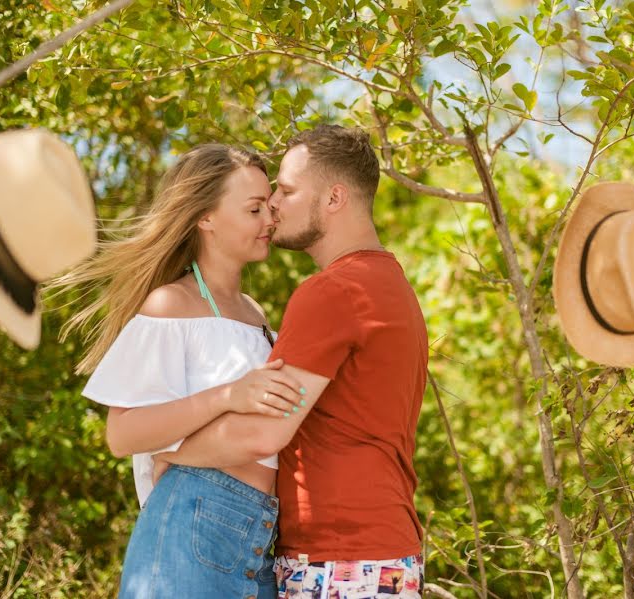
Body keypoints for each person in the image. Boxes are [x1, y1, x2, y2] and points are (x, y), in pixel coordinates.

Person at [152, 125, 429, 598]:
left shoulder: (334, 291)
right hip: (378, 556)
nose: (275, 202)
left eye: (288, 188)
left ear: (335, 198)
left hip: (342, 560)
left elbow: (264, 433)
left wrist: (164, 450)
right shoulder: (390, 285)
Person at [49, 144, 307, 598]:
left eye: (268, 206)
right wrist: (228, 396)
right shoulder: (170, 304)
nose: (270, 219)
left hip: (259, 536)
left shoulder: (255, 314)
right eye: (253, 209)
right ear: (205, 218)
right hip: (192, 526)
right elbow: (122, 434)